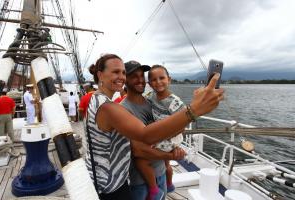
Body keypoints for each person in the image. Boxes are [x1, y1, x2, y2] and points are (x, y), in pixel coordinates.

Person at [85, 54, 224, 200]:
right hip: (109, 184)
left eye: (123, 73)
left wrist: (173, 143)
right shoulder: (109, 107)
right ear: (100, 75)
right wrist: (195, 109)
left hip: (119, 177)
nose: (121, 76)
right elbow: (145, 136)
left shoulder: (100, 99)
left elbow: (165, 128)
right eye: (115, 72)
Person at [121, 61, 186, 200]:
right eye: (133, 76)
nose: (140, 80)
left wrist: (173, 146)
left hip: (160, 171)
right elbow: (138, 150)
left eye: (141, 76)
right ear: (124, 80)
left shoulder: (150, 101)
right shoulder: (123, 110)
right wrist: (171, 156)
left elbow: (177, 124)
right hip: (140, 181)